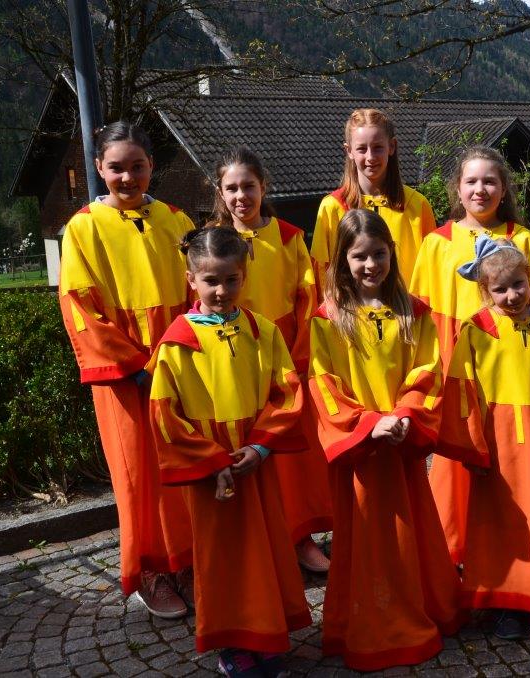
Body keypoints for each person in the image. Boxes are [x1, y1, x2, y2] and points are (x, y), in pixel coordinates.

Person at [149, 227, 311, 676]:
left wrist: (260, 446)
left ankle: (267, 633)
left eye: (231, 279)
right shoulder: (177, 343)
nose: (221, 290)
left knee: (264, 549)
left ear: (244, 276)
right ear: (191, 280)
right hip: (210, 473)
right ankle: (232, 643)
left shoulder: (262, 331)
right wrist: (212, 461)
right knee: (222, 559)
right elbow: (165, 414)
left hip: (254, 463)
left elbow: (287, 392)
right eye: (211, 281)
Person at [308, 209, 465, 670]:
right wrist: (367, 424)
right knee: (364, 536)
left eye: (379, 254)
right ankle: (367, 622)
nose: (371, 265)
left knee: (408, 529)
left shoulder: (413, 312)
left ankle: (421, 607)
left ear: (392, 254)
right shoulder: (328, 318)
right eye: (359, 256)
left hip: (400, 444)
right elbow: (323, 381)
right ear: (343, 259)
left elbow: (428, 371)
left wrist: (404, 415)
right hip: (361, 451)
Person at [58, 121, 192, 618]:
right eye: (116, 167)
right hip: (122, 375)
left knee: (183, 467)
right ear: (99, 167)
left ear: (151, 165)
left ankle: (186, 560)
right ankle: (149, 570)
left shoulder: (175, 219)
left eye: (138, 166)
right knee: (136, 476)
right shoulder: (84, 227)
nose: (128, 177)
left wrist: (179, 356)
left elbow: (198, 292)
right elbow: (79, 306)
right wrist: (134, 365)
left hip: (177, 367)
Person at [409, 145, 530, 564]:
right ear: (457, 189)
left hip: (509, 375)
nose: (481, 189)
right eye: (471, 181)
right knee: (456, 461)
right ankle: (451, 550)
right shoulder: (437, 243)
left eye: (490, 181)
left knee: (508, 466)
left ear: (504, 188)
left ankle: (510, 555)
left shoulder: (521, 239)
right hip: (456, 372)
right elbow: (420, 313)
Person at [207, 146, 332, 573]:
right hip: (233, 353)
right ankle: (258, 545)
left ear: (263, 187)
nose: (240, 196)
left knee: (288, 452)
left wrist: (297, 358)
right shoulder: (212, 240)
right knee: (243, 449)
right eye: (231, 188)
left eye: (248, 186)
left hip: (282, 355)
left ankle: (299, 537)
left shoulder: (290, 236)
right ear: (220, 192)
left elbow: (308, 299)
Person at [437, 236, 530, 640]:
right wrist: (472, 444)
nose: (512, 296)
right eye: (500, 289)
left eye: (518, 284)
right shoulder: (478, 328)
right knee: (498, 520)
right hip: (497, 440)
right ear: (485, 291)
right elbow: (461, 389)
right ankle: (502, 602)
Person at [311, 108, 437, 290]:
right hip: (350, 307)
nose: (370, 157)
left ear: (391, 146)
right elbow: (322, 274)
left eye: (378, 147)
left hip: (406, 307)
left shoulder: (417, 205)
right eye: (362, 149)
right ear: (349, 151)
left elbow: (431, 271)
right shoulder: (332, 207)